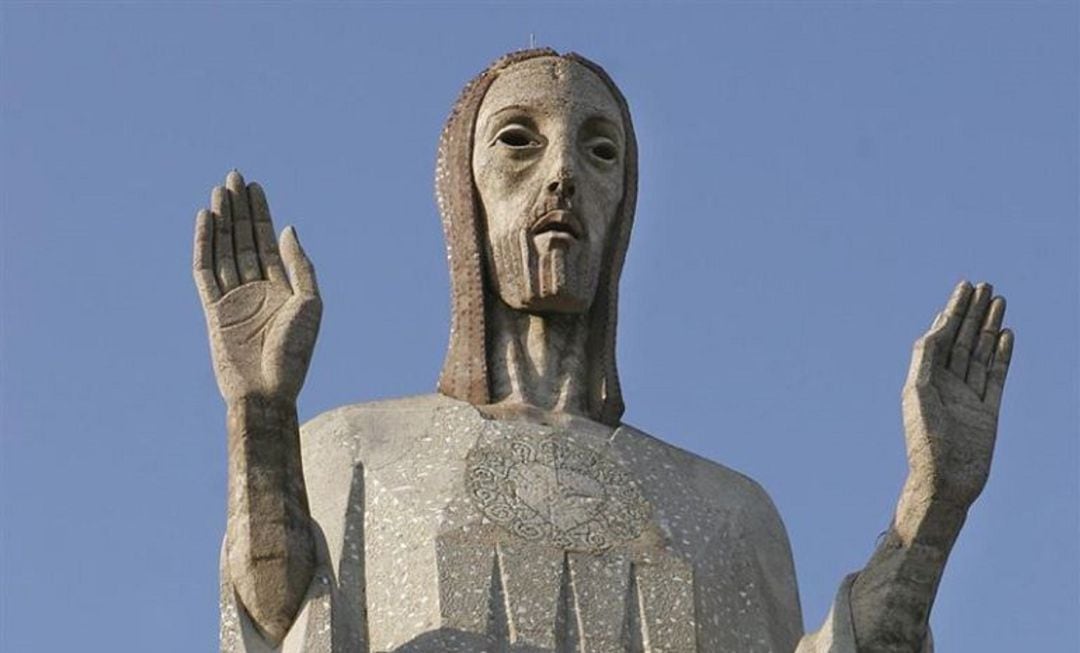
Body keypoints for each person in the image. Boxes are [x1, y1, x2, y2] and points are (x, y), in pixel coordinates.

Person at [194, 49, 1013, 653]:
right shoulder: (355, 450)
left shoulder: (732, 515)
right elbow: (276, 620)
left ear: (624, 205)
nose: (562, 176)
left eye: (599, 150)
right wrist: (260, 414)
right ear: (462, 199)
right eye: (520, 141)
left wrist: (933, 505)